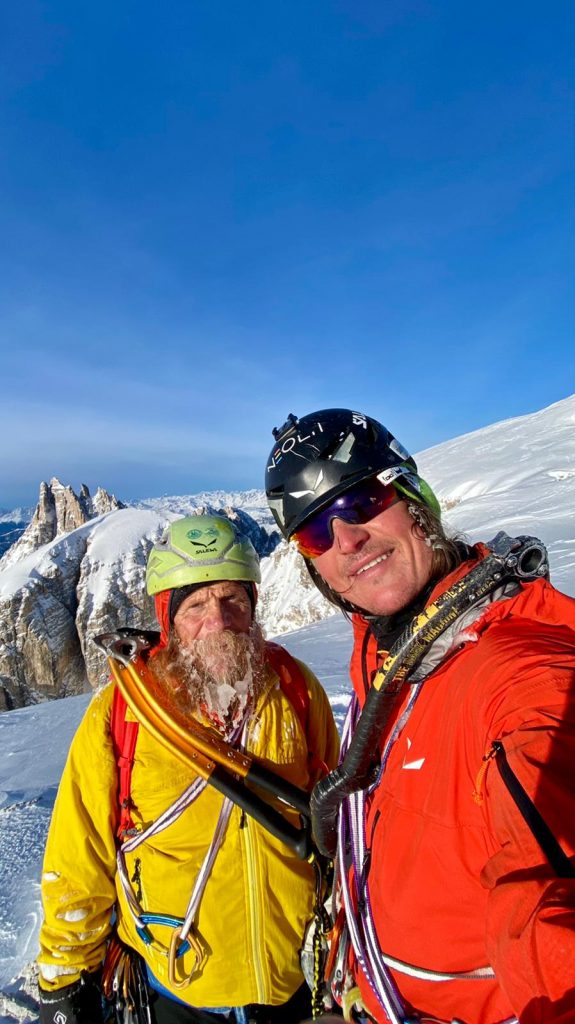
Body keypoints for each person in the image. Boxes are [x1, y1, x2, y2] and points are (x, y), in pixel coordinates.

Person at [265, 409, 575, 1024]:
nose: (346, 539)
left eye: (363, 499)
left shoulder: (524, 677)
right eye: (315, 534)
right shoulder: (387, 669)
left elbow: (549, 906)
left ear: (412, 496)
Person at [37, 513, 340, 1024]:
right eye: (195, 605)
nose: (217, 622)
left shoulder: (293, 689)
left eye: (232, 600)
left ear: (253, 606)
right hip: (177, 996)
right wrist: (65, 977)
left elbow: (338, 821)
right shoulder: (124, 713)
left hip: (288, 990)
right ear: (168, 620)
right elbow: (77, 853)